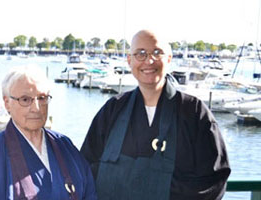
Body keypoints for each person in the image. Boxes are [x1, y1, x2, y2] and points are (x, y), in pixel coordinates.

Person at [80, 30, 231, 200]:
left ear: (169, 58)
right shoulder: (113, 110)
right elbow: (85, 168)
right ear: (130, 61)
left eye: (157, 53)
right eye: (140, 54)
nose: (149, 61)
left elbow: (214, 179)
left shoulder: (194, 112)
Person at [0, 66, 97, 200]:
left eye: (42, 98)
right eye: (25, 100)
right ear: (7, 103)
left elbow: (89, 193)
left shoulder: (65, 146)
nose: (36, 108)